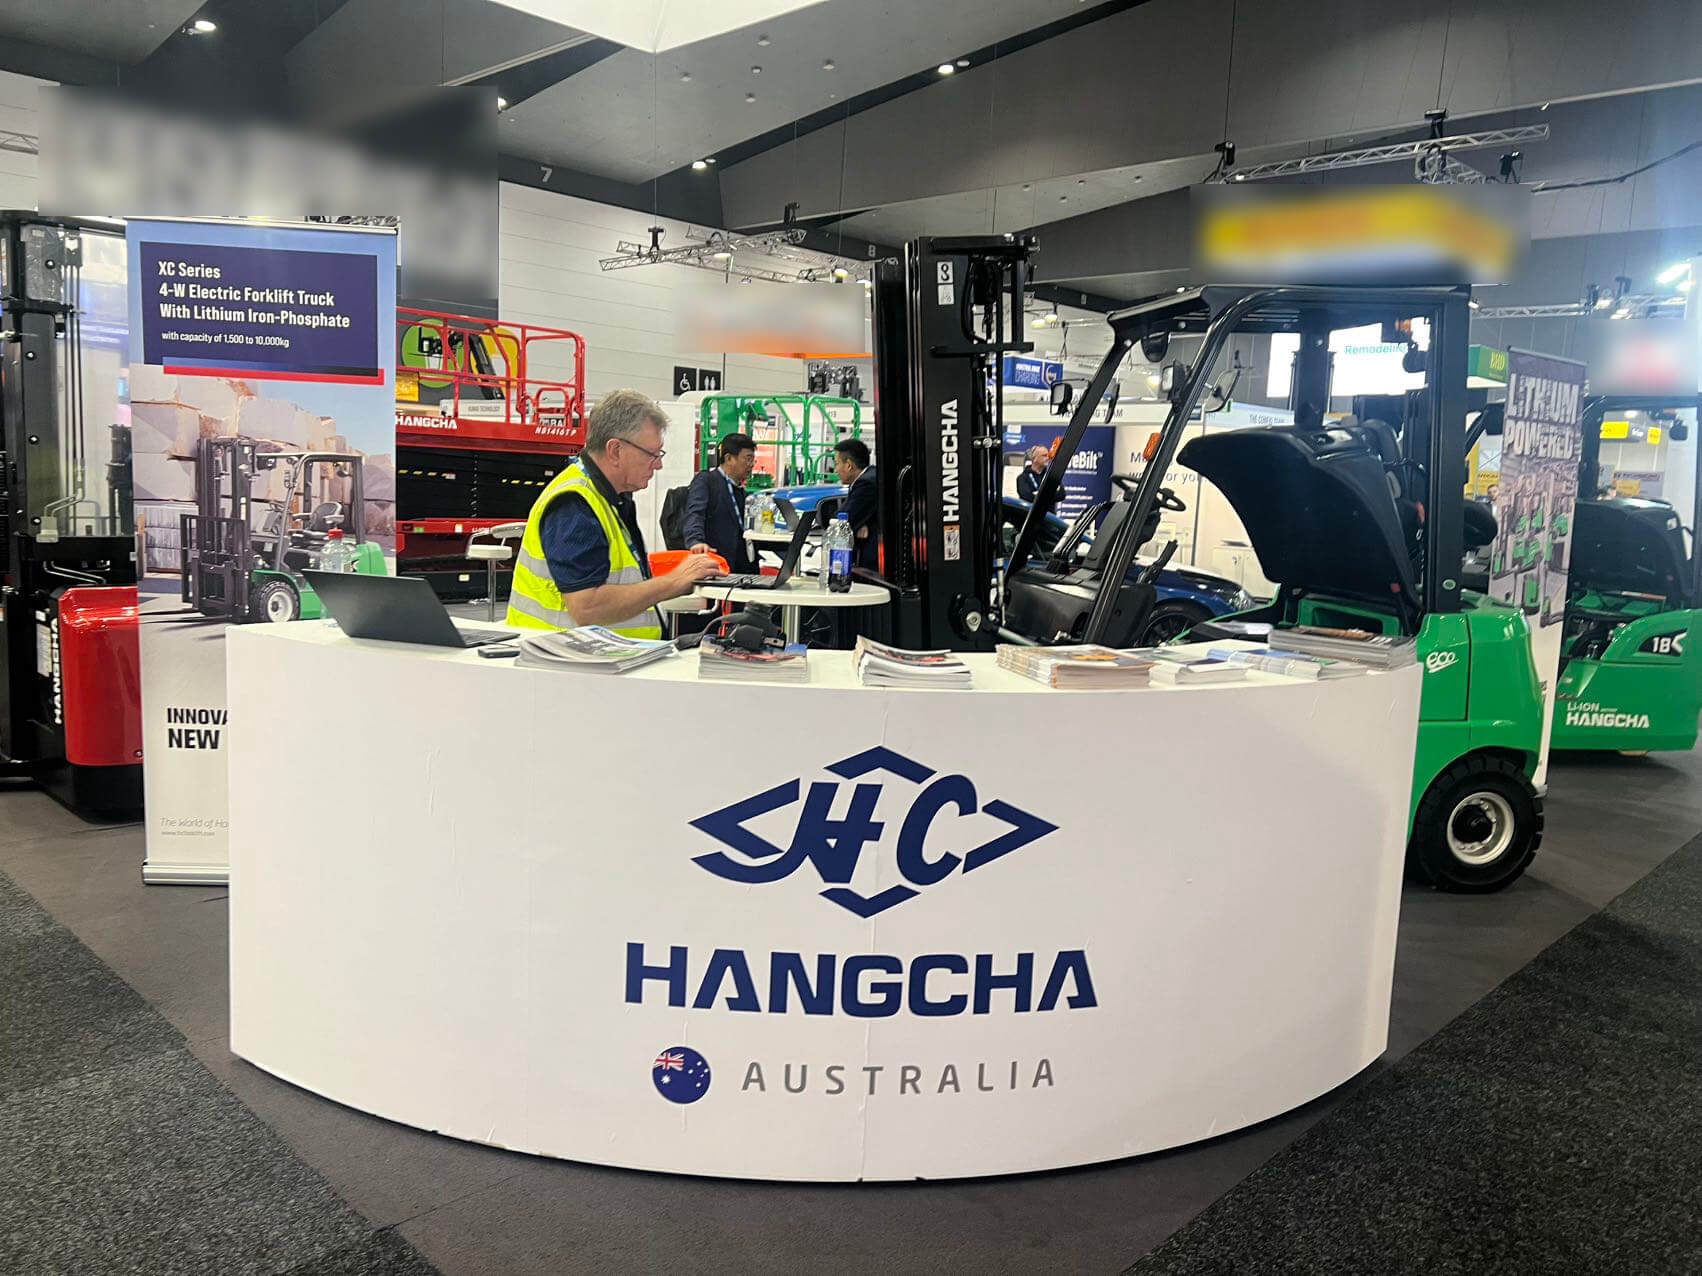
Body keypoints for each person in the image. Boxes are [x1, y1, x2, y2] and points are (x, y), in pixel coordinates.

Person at [507, 389, 720, 636]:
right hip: (566, 654)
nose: (659, 464)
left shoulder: (610, 498)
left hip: (598, 654)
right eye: (652, 454)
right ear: (615, 450)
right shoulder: (575, 505)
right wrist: (674, 581)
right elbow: (587, 607)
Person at [683, 432, 757, 574]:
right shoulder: (707, 481)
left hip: (744, 568)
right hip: (716, 566)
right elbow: (695, 513)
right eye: (747, 459)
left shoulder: (742, 492)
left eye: (753, 460)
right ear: (729, 458)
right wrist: (696, 541)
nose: (751, 465)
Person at [833, 437, 879, 570]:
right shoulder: (869, 476)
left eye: (837, 463)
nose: (835, 470)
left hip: (871, 562)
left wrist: (853, 525)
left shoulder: (866, 484)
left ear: (849, 465)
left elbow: (844, 520)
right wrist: (858, 525)